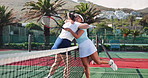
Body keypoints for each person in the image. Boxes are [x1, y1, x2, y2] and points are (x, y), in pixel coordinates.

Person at [44, 13, 90, 78]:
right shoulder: (76, 24)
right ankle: (65, 77)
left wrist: (69, 22)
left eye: (79, 17)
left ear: (81, 20)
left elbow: (68, 19)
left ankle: (49, 76)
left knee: (57, 62)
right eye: (76, 17)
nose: (77, 18)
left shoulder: (68, 23)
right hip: (64, 42)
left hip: (58, 41)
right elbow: (86, 26)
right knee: (68, 65)